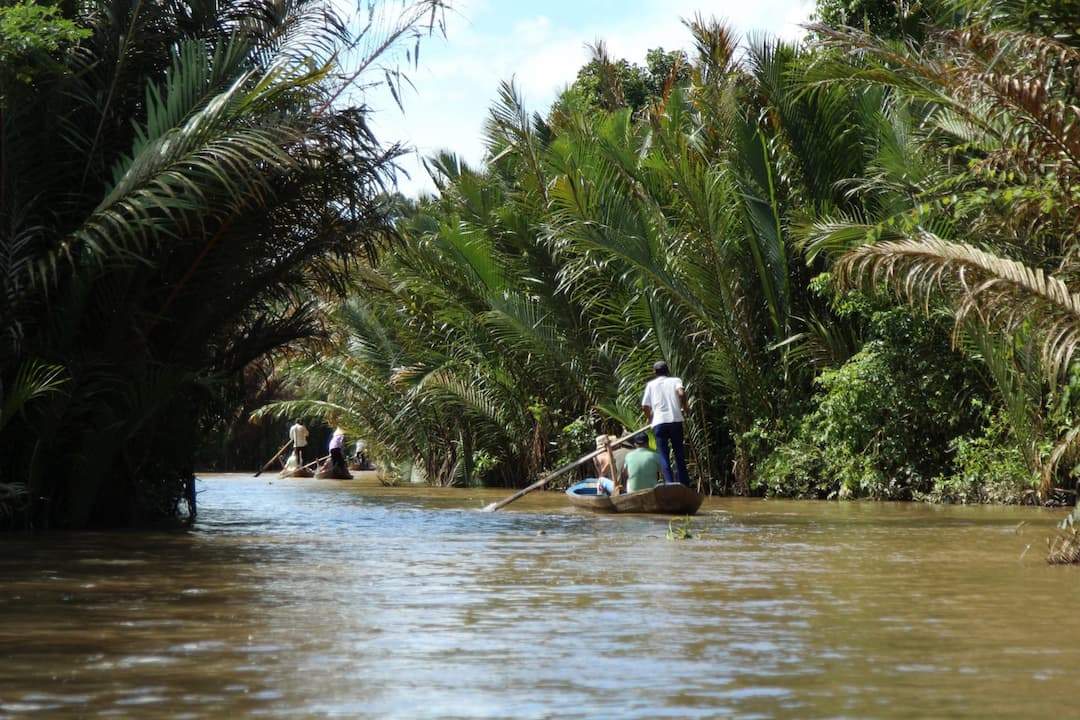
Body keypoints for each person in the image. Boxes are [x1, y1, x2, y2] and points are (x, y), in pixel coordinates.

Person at [641, 360, 690, 486]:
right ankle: (684, 484)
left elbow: (645, 406)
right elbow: (681, 393)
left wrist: (650, 418)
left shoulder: (650, 385)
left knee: (663, 455)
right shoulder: (675, 380)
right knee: (679, 453)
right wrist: (685, 407)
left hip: (659, 423)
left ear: (654, 372)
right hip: (675, 421)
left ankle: (669, 484)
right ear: (667, 371)